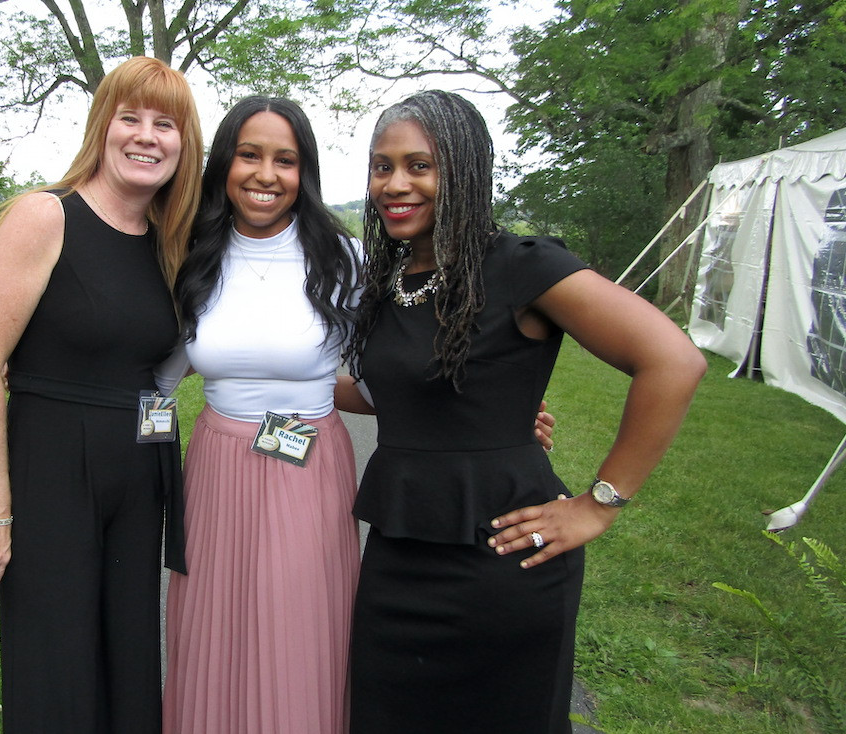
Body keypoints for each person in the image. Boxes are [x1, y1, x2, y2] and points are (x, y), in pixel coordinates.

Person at [339, 90, 707, 733]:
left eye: (419, 166)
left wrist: (598, 504)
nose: (395, 184)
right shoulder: (389, 281)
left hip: (505, 561)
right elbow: (386, 391)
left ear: (465, 170)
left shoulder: (521, 266)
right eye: (381, 166)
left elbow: (674, 362)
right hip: (399, 556)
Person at [0, 57, 203, 733]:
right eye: (131, 118)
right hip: (54, 469)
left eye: (166, 124)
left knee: (128, 659)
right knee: (56, 663)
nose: (147, 136)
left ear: (185, 144)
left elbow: (158, 373)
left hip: (138, 477)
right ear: (103, 126)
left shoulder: (170, 244)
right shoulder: (45, 217)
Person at [160, 96, 362, 734]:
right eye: (250, 155)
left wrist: (493, 415)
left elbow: (390, 376)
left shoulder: (345, 260)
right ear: (225, 163)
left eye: (286, 160)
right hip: (215, 470)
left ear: (306, 173)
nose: (266, 174)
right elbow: (157, 381)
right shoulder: (189, 255)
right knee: (215, 628)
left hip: (310, 468)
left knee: (297, 629)